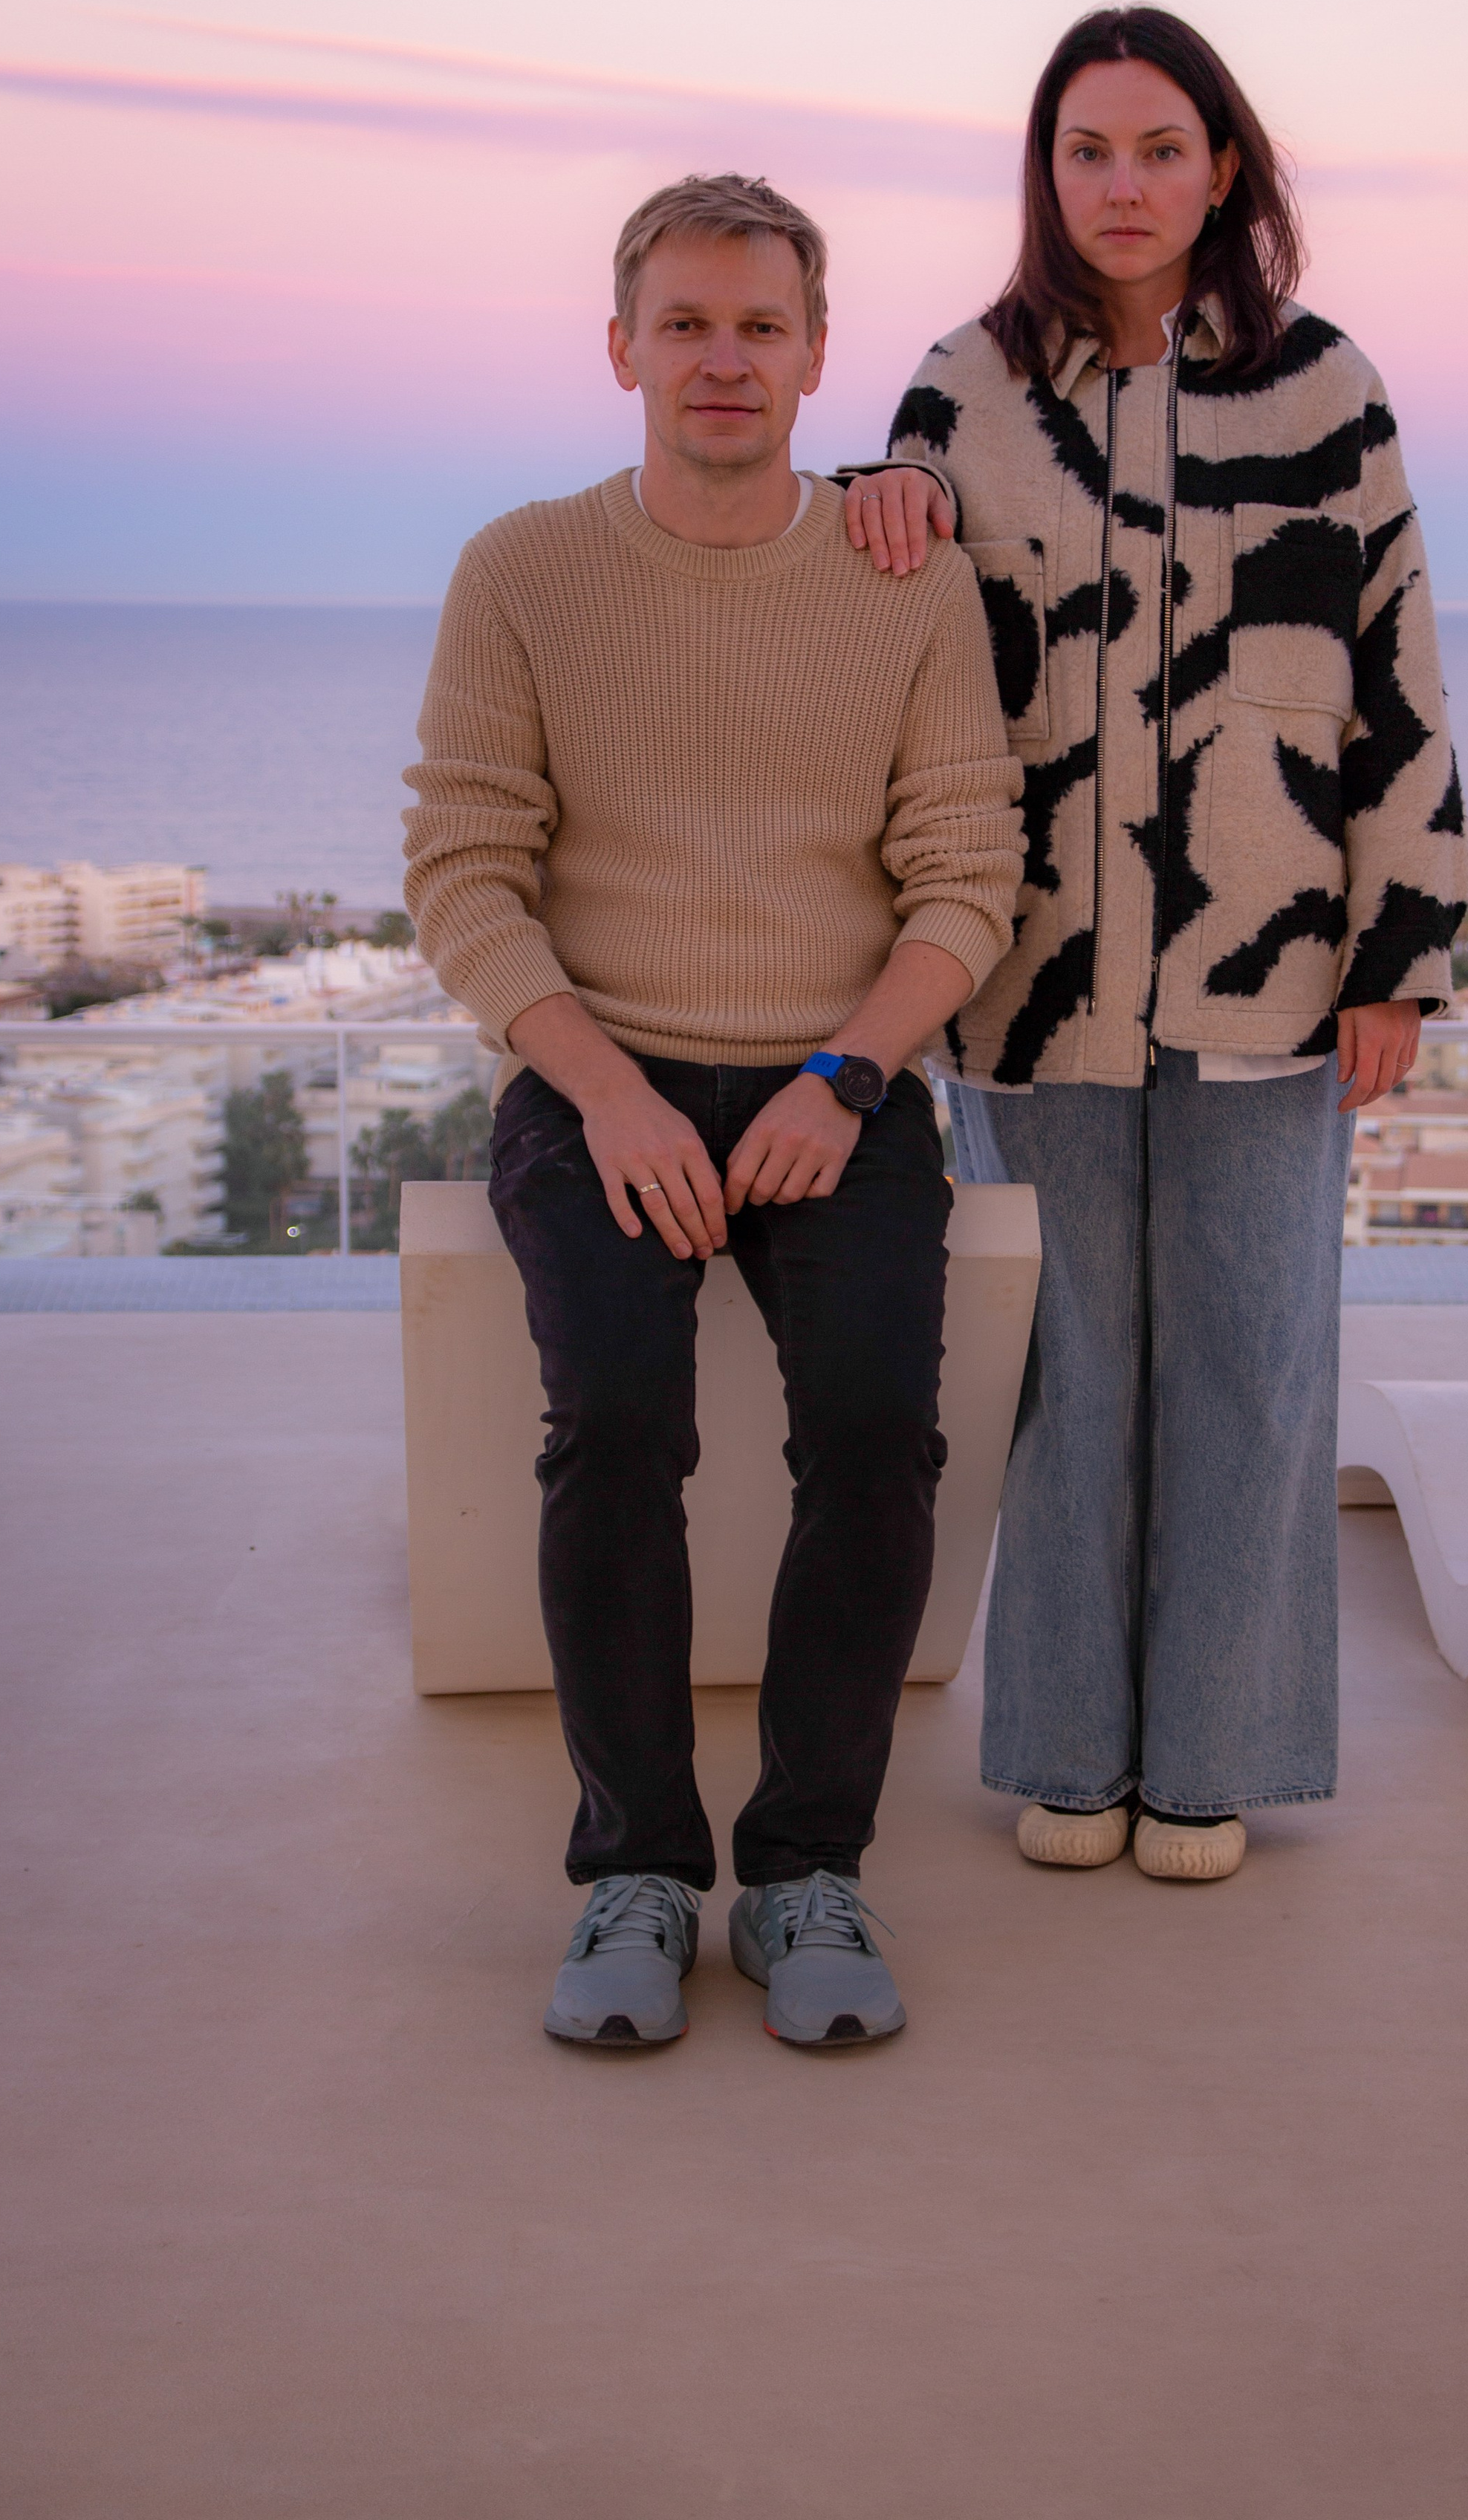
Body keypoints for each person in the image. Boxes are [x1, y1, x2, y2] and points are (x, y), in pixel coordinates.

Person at [842, 7, 1468, 1882]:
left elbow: (1396, 674)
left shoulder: (1328, 391)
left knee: (1253, 1364)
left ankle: (1209, 1757)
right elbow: (877, 645)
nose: (1122, 186)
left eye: (1158, 148)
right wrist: (855, 498)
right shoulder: (957, 386)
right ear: (1044, 172)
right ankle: (1064, 1750)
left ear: (1221, 168)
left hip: (1267, 979)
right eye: (1086, 150)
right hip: (1025, 986)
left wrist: (1399, 949)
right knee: (1059, 1376)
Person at [403, 174, 1022, 2045]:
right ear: (621, 351)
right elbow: (463, 871)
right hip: (597, 1076)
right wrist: (598, 1089)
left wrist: (847, 1074)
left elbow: (965, 878)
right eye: (685, 323)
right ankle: (640, 1874)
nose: (724, 359)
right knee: (611, 1420)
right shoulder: (521, 568)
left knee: (871, 1434)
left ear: (817, 354)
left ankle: (810, 1870)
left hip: (839, 1073)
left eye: (760, 326)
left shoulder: (904, 580)